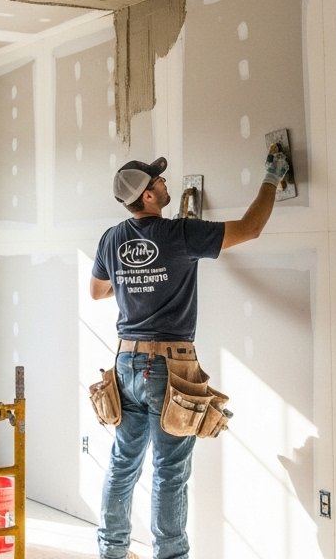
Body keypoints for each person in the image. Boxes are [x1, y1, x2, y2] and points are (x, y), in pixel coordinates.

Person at [90, 150, 290, 559]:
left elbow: (97, 291)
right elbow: (250, 229)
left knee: (123, 463)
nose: (166, 184)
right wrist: (272, 176)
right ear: (146, 197)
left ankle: (111, 553)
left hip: (124, 363)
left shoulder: (112, 238)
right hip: (168, 367)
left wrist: (134, 282)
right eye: (158, 182)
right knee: (169, 471)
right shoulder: (181, 235)